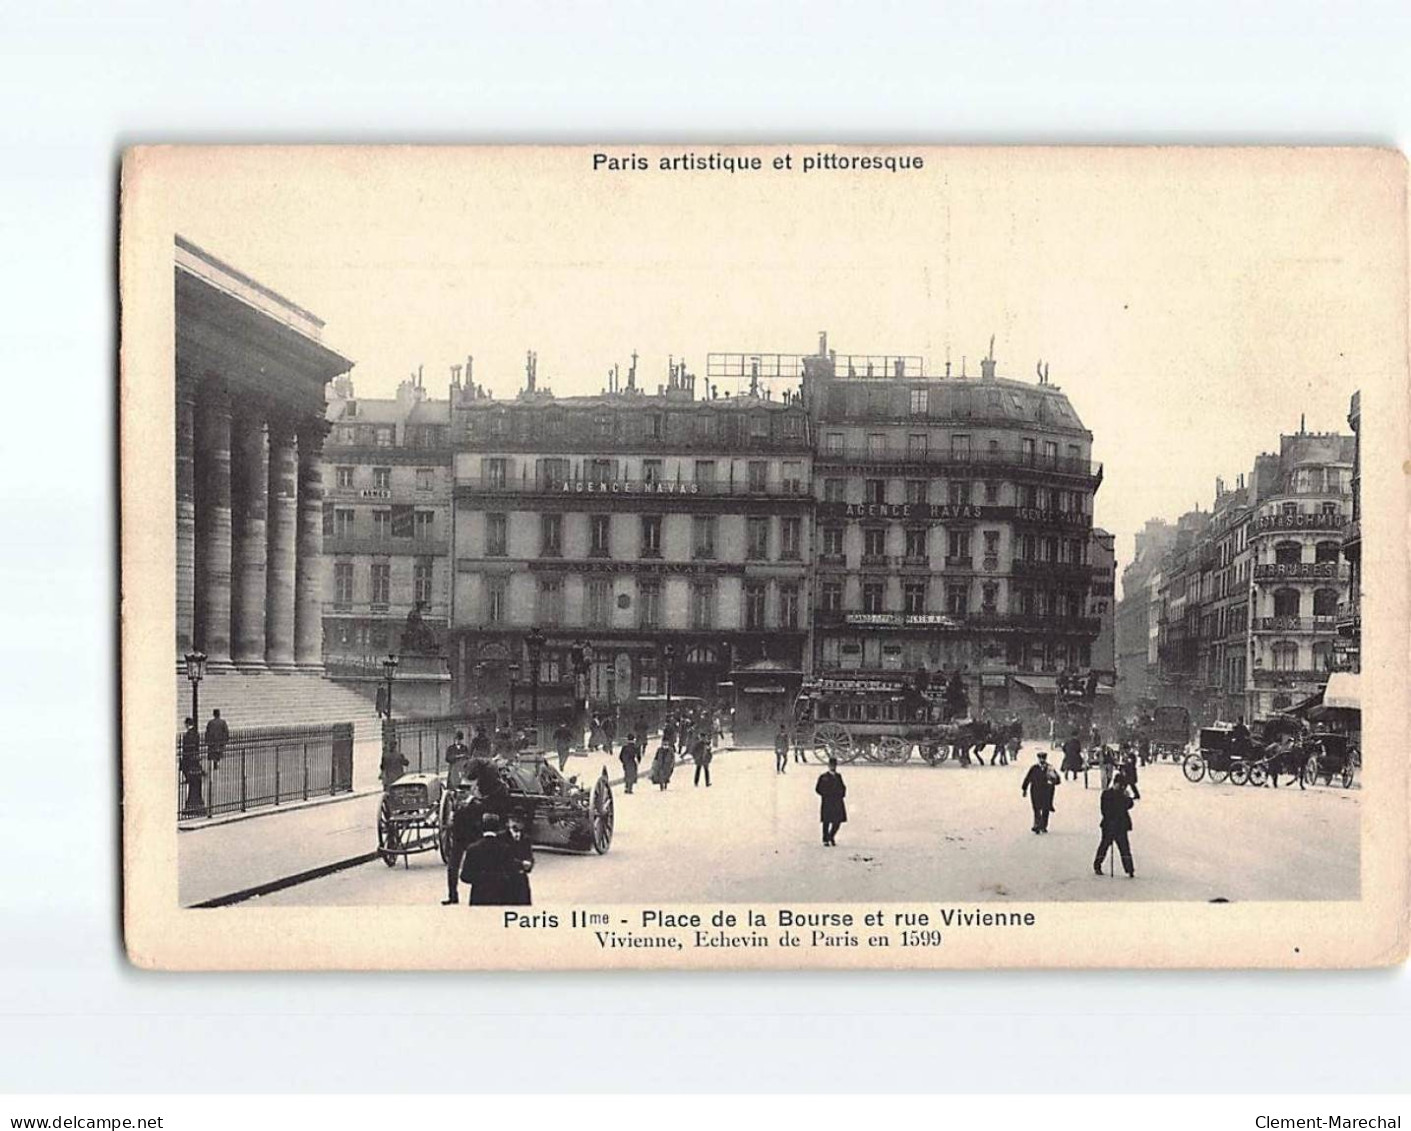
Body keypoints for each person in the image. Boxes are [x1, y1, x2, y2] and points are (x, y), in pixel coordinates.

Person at [459, 812, 517, 905]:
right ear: (498, 828)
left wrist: (479, 879)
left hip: (479, 895)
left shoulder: (472, 849)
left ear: (482, 827)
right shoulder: (505, 848)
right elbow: (512, 873)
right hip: (500, 895)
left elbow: (465, 876)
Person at [441, 789, 481, 905]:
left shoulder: (476, 805)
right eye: (459, 792)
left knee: (476, 868)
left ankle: (476, 896)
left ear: (471, 792)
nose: (461, 794)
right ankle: (453, 896)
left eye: (464, 791)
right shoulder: (457, 805)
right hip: (459, 840)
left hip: (472, 840)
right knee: (452, 868)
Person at [1094, 771, 1136, 878]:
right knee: (1104, 846)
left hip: (1121, 826)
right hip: (1109, 825)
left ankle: (1129, 869)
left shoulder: (1123, 795)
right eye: (1120, 785)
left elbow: (1130, 805)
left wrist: (1128, 797)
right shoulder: (1107, 794)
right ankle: (1097, 865)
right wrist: (1111, 820)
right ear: (1115, 783)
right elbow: (1104, 810)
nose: (1122, 787)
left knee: (1124, 848)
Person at [1021, 751, 1060, 834]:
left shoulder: (1050, 768)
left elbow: (1057, 780)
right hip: (1035, 791)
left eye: (1043, 758)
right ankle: (1037, 825)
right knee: (1036, 808)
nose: (1042, 760)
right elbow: (1027, 778)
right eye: (1040, 758)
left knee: (1045, 808)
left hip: (1047, 791)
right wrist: (1024, 789)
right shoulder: (1034, 768)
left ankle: (1043, 825)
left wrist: (1053, 780)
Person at [501, 813, 535, 905]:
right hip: (506, 879)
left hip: (521, 879)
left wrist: (529, 864)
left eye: (519, 821)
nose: (515, 824)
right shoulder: (501, 837)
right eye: (513, 820)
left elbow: (529, 855)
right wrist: (521, 863)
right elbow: (502, 858)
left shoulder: (526, 838)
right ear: (508, 823)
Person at [815, 757, 847, 846]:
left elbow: (843, 787)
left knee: (837, 821)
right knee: (826, 821)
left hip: (837, 801)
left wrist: (842, 794)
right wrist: (825, 794)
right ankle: (825, 839)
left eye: (834, 765)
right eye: (831, 765)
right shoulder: (823, 777)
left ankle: (831, 836)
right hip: (828, 801)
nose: (833, 767)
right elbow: (818, 789)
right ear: (828, 766)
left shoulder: (838, 776)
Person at [179, 717, 205, 817]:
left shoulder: (187, 736)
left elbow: (186, 752)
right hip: (195, 762)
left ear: (186, 724)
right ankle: (197, 803)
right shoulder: (196, 735)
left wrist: (183, 764)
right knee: (196, 784)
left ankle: (192, 805)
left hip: (189, 762)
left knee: (192, 784)